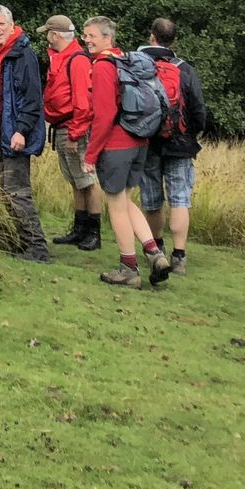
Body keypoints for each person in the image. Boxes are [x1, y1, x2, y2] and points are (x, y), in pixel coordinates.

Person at [81, 16, 172, 289]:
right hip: (139, 142)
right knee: (126, 200)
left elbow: (104, 114)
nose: (86, 40)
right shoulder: (126, 60)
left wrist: (90, 155)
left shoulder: (103, 67)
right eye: (85, 35)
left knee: (116, 206)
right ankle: (155, 253)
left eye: (92, 35)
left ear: (108, 37)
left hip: (116, 145)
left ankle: (128, 267)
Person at [0, 5, 51, 263]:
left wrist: (21, 131)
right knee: (8, 190)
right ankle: (24, 243)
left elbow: (32, 99)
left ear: (11, 24)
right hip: (2, 133)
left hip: (16, 134)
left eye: (1, 24)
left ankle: (38, 248)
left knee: (17, 191)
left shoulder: (22, 55)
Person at [138, 17, 206, 275]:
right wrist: (191, 134)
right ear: (173, 40)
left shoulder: (140, 65)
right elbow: (199, 110)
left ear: (151, 36)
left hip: (147, 141)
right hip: (180, 144)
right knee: (179, 198)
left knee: (152, 199)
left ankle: (156, 251)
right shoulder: (185, 69)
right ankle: (179, 257)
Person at [39, 14, 102, 251]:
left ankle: (93, 232)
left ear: (55, 35)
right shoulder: (62, 57)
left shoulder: (76, 60)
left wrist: (76, 133)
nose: (46, 37)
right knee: (75, 180)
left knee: (87, 180)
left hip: (74, 127)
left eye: (48, 32)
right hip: (63, 126)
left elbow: (82, 102)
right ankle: (79, 229)